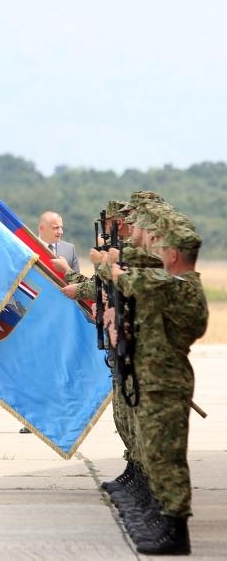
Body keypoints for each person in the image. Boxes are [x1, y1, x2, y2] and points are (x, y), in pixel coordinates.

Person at [104, 220, 207, 555]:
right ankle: (162, 518)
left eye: (161, 248)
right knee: (156, 454)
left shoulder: (180, 286)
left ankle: (175, 531)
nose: (155, 252)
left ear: (173, 255)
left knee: (167, 458)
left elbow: (140, 279)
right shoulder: (174, 284)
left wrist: (114, 269)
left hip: (166, 383)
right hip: (157, 380)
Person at [19, 210, 79, 434]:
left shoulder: (68, 249)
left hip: (61, 318)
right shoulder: (27, 247)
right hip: (35, 318)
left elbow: (78, 281)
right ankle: (32, 419)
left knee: (60, 367)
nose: (60, 231)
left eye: (61, 227)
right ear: (41, 228)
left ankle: (59, 418)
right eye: (55, 227)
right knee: (35, 368)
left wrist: (67, 269)